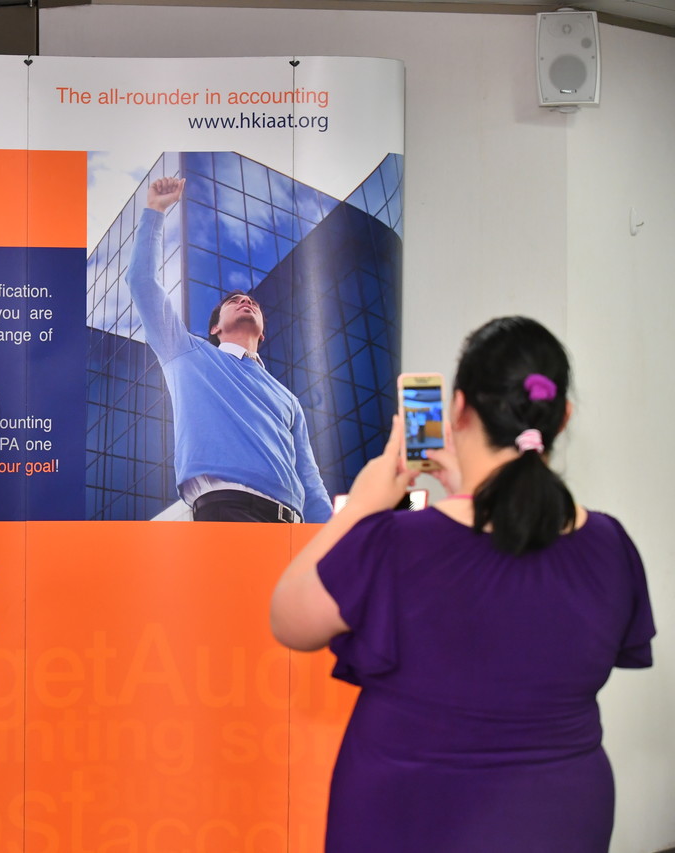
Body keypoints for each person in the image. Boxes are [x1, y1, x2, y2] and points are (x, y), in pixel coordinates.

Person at [270, 316, 655, 852]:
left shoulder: (398, 544)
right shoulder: (610, 545)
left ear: (457, 409)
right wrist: (466, 494)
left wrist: (360, 507)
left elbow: (289, 617)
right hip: (565, 817)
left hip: (413, 819)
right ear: (562, 417)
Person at [128, 176, 331, 523]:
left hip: (290, 527)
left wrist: (331, 539)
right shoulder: (187, 354)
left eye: (252, 302)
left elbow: (310, 481)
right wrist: (155, 211)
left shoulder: (288, 400)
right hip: (227, 510)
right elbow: (142, 282)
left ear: (263, 334)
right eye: (233, 301)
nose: (245, 301)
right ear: (214, 328)